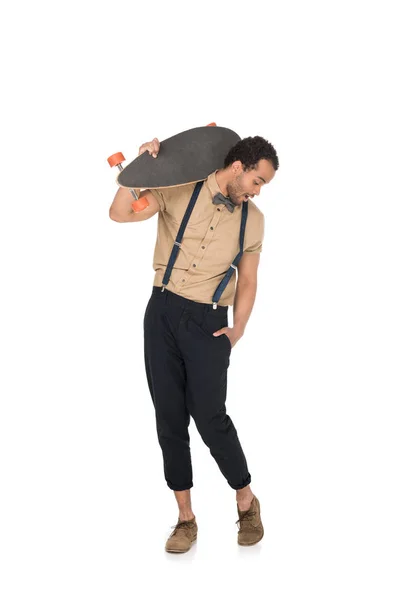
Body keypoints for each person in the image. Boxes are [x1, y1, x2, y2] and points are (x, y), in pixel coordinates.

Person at [109, 132, 279, 553]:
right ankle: (185, 519)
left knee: (210, 417)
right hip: (162, 312)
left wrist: (238, 329)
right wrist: (142, 170)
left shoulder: (253, 219)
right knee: (169, 418)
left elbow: (250, 278)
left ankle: (245, 499)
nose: (259, 192)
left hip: (208, 323)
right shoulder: (180, 188)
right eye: (258, 181)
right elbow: (119, 214)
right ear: (239, 168)